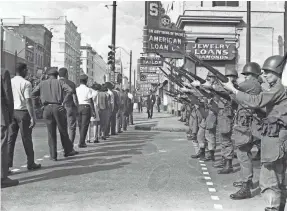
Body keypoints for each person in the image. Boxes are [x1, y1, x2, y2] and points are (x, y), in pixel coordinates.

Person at [222, 55, 287, 211]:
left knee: (269, 175)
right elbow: (262, 106)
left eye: (268, 72)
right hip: (274, 136)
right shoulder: (274, 89)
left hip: (275, 137)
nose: (264, 75)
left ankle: (272, 208)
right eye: (263, 72)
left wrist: (233, 90)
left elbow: (256, 101)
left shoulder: (277, 89)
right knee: (278, 175)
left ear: (277, 73)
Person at [229, 62, 263, 200]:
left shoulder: (252, 84)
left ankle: (246, 187)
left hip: (248, 126)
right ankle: (246, 181)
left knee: (243, 154)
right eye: (245, 74)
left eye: (248, 74)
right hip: (248, 125)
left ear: (255, 75)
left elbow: (231, 89)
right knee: (244, 153)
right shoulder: (253, 85)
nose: (246, 77)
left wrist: (216, 85)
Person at [32, 68, 78, 161]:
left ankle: (53, 155)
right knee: (63, 130)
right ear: (57, 75)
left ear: (48, 75)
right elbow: (70, 91)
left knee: (51, 133)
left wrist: (39, 105)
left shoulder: (42, 83)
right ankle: (68, 150)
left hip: (47, 108)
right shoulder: (60, 82)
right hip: (58, 107)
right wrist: (64, 103)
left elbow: (33, 94)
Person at [8, 63, 41, 172]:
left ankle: (7, 166)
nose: (27, 72)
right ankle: (30, 163)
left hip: (12, 112)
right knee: (26, 138)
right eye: (26, 70)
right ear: (23, 70)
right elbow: (28, 100)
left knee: (10, 139)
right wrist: (33, 117)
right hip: (23, 113)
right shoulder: (26, 83)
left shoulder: (10, 82)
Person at [1, 68, 19, 188]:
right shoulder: (3, 72)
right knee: (2, 144)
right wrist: (11, 113)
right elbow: (8, 94)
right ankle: (2, 177)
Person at [58, 68, 79, 144]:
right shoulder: (71, 83)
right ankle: (70, 147)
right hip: (69, 106)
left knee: (62, 128)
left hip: (58, 107)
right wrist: (77, 108)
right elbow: (74, 98)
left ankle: (64, 146)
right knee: (71, 127)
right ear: (66, 74)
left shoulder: (56, 83)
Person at [76, 74, 96, 148]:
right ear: (86, 81)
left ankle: (81, 141)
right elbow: (91, 101)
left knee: (80, 125)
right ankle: (81, 142)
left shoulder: (76, 89)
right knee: (85, 125)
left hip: (79, 106)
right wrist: (93, 111)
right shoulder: (88, 89)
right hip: (86, 107)